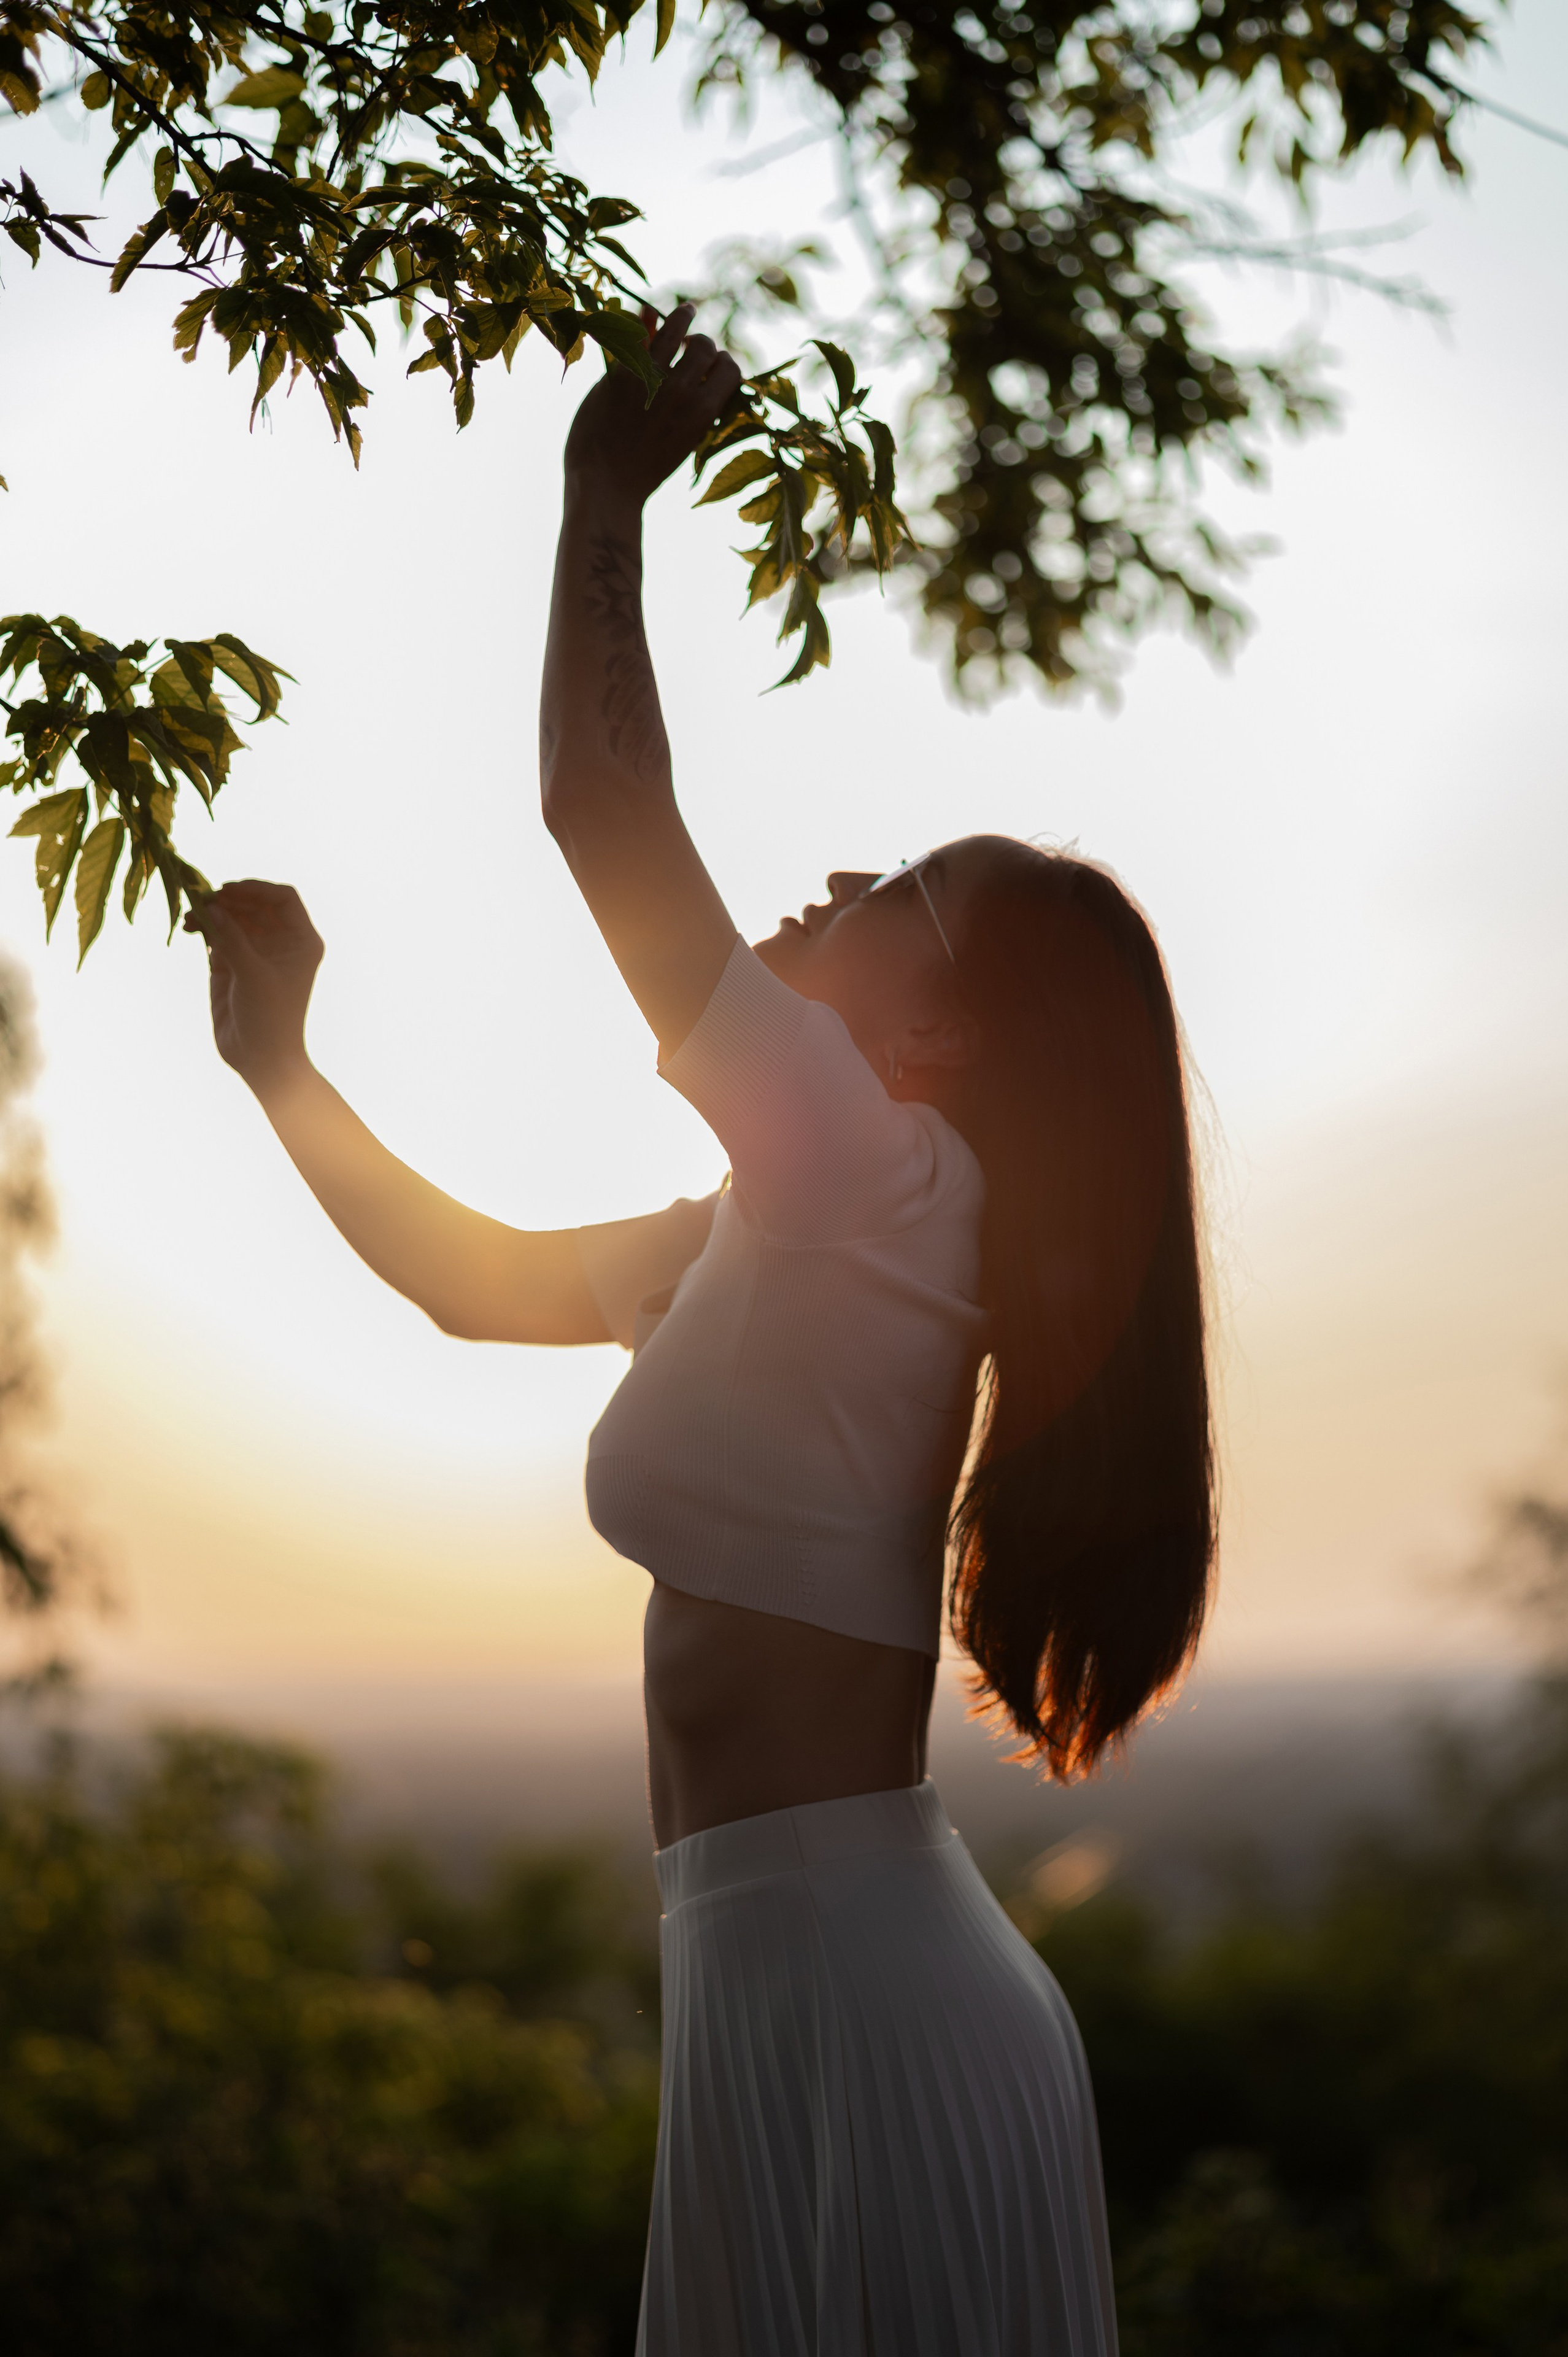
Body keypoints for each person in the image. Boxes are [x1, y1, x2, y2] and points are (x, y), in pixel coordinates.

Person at [189, 306, 1216, 2356]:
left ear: (924, 1041)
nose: (832, 876)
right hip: (776, 1987)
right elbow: (470, 1284)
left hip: (863, 1999)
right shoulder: (808, 1222)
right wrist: (277, 1071)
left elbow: (604, 813)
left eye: (895, 888)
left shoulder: (885, 1176)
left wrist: (597, 496)